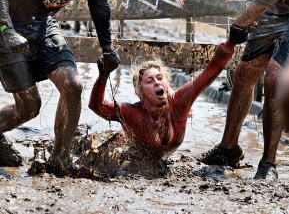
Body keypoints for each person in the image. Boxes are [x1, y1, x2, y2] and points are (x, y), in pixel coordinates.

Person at [0, 0, 120, 175]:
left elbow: (100, 5)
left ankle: (60, 158)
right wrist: (6, 30)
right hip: (7, 26)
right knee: (29, 108)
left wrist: (107, 47)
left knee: (72, 85)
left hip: (41, 25)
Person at [88, 39, 236, 170]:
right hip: (130, 162)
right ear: (140, 92)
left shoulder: (179, 102)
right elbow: (97, 106)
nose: (157, 82)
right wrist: (103, 75)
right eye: (150, 81)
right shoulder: (131, 113)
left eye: (160, 78)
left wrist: (232, 42)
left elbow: (211, 71)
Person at [200, 0, 289, 180]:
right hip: (273, 8)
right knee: (244, 73)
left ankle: (268, 164)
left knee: (274, 76)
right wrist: (250, 4)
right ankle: (228, 149)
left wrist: (242, 21)